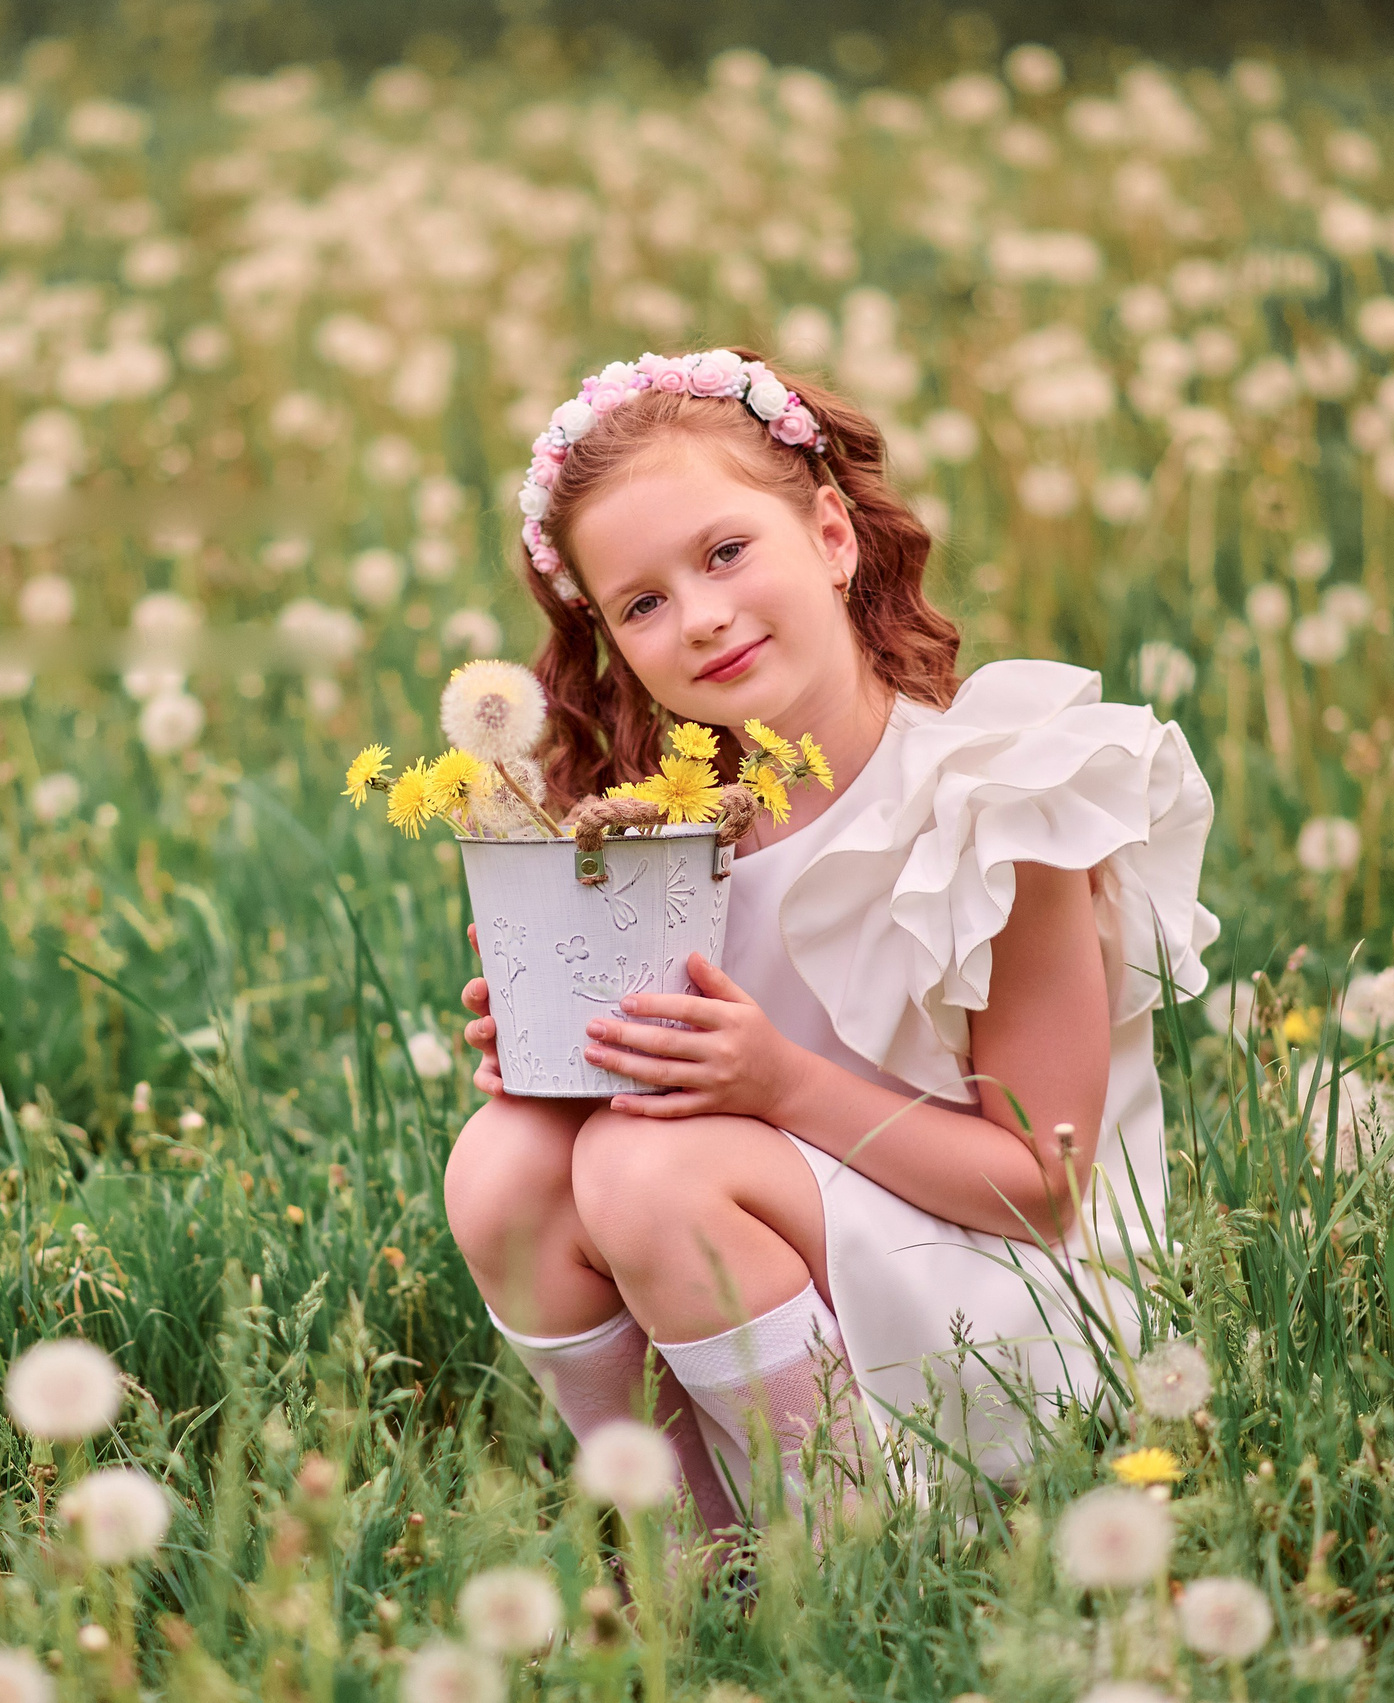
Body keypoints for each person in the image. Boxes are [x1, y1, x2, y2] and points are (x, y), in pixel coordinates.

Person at [441, 348, 1219, 1531]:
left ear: (832, 535)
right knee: (507, 1161)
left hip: (1015, 1310)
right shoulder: (664, 832)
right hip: (781, 1256)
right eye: (642, 603)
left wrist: (772, 1078)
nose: (699, 617)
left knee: (645, 1168)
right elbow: (646, 1110)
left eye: (725, 552)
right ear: (610, 639)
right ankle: (690, 1538)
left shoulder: (995, 796)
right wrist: (565, 1059)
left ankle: (847, 1544)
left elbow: (1041, 1189)